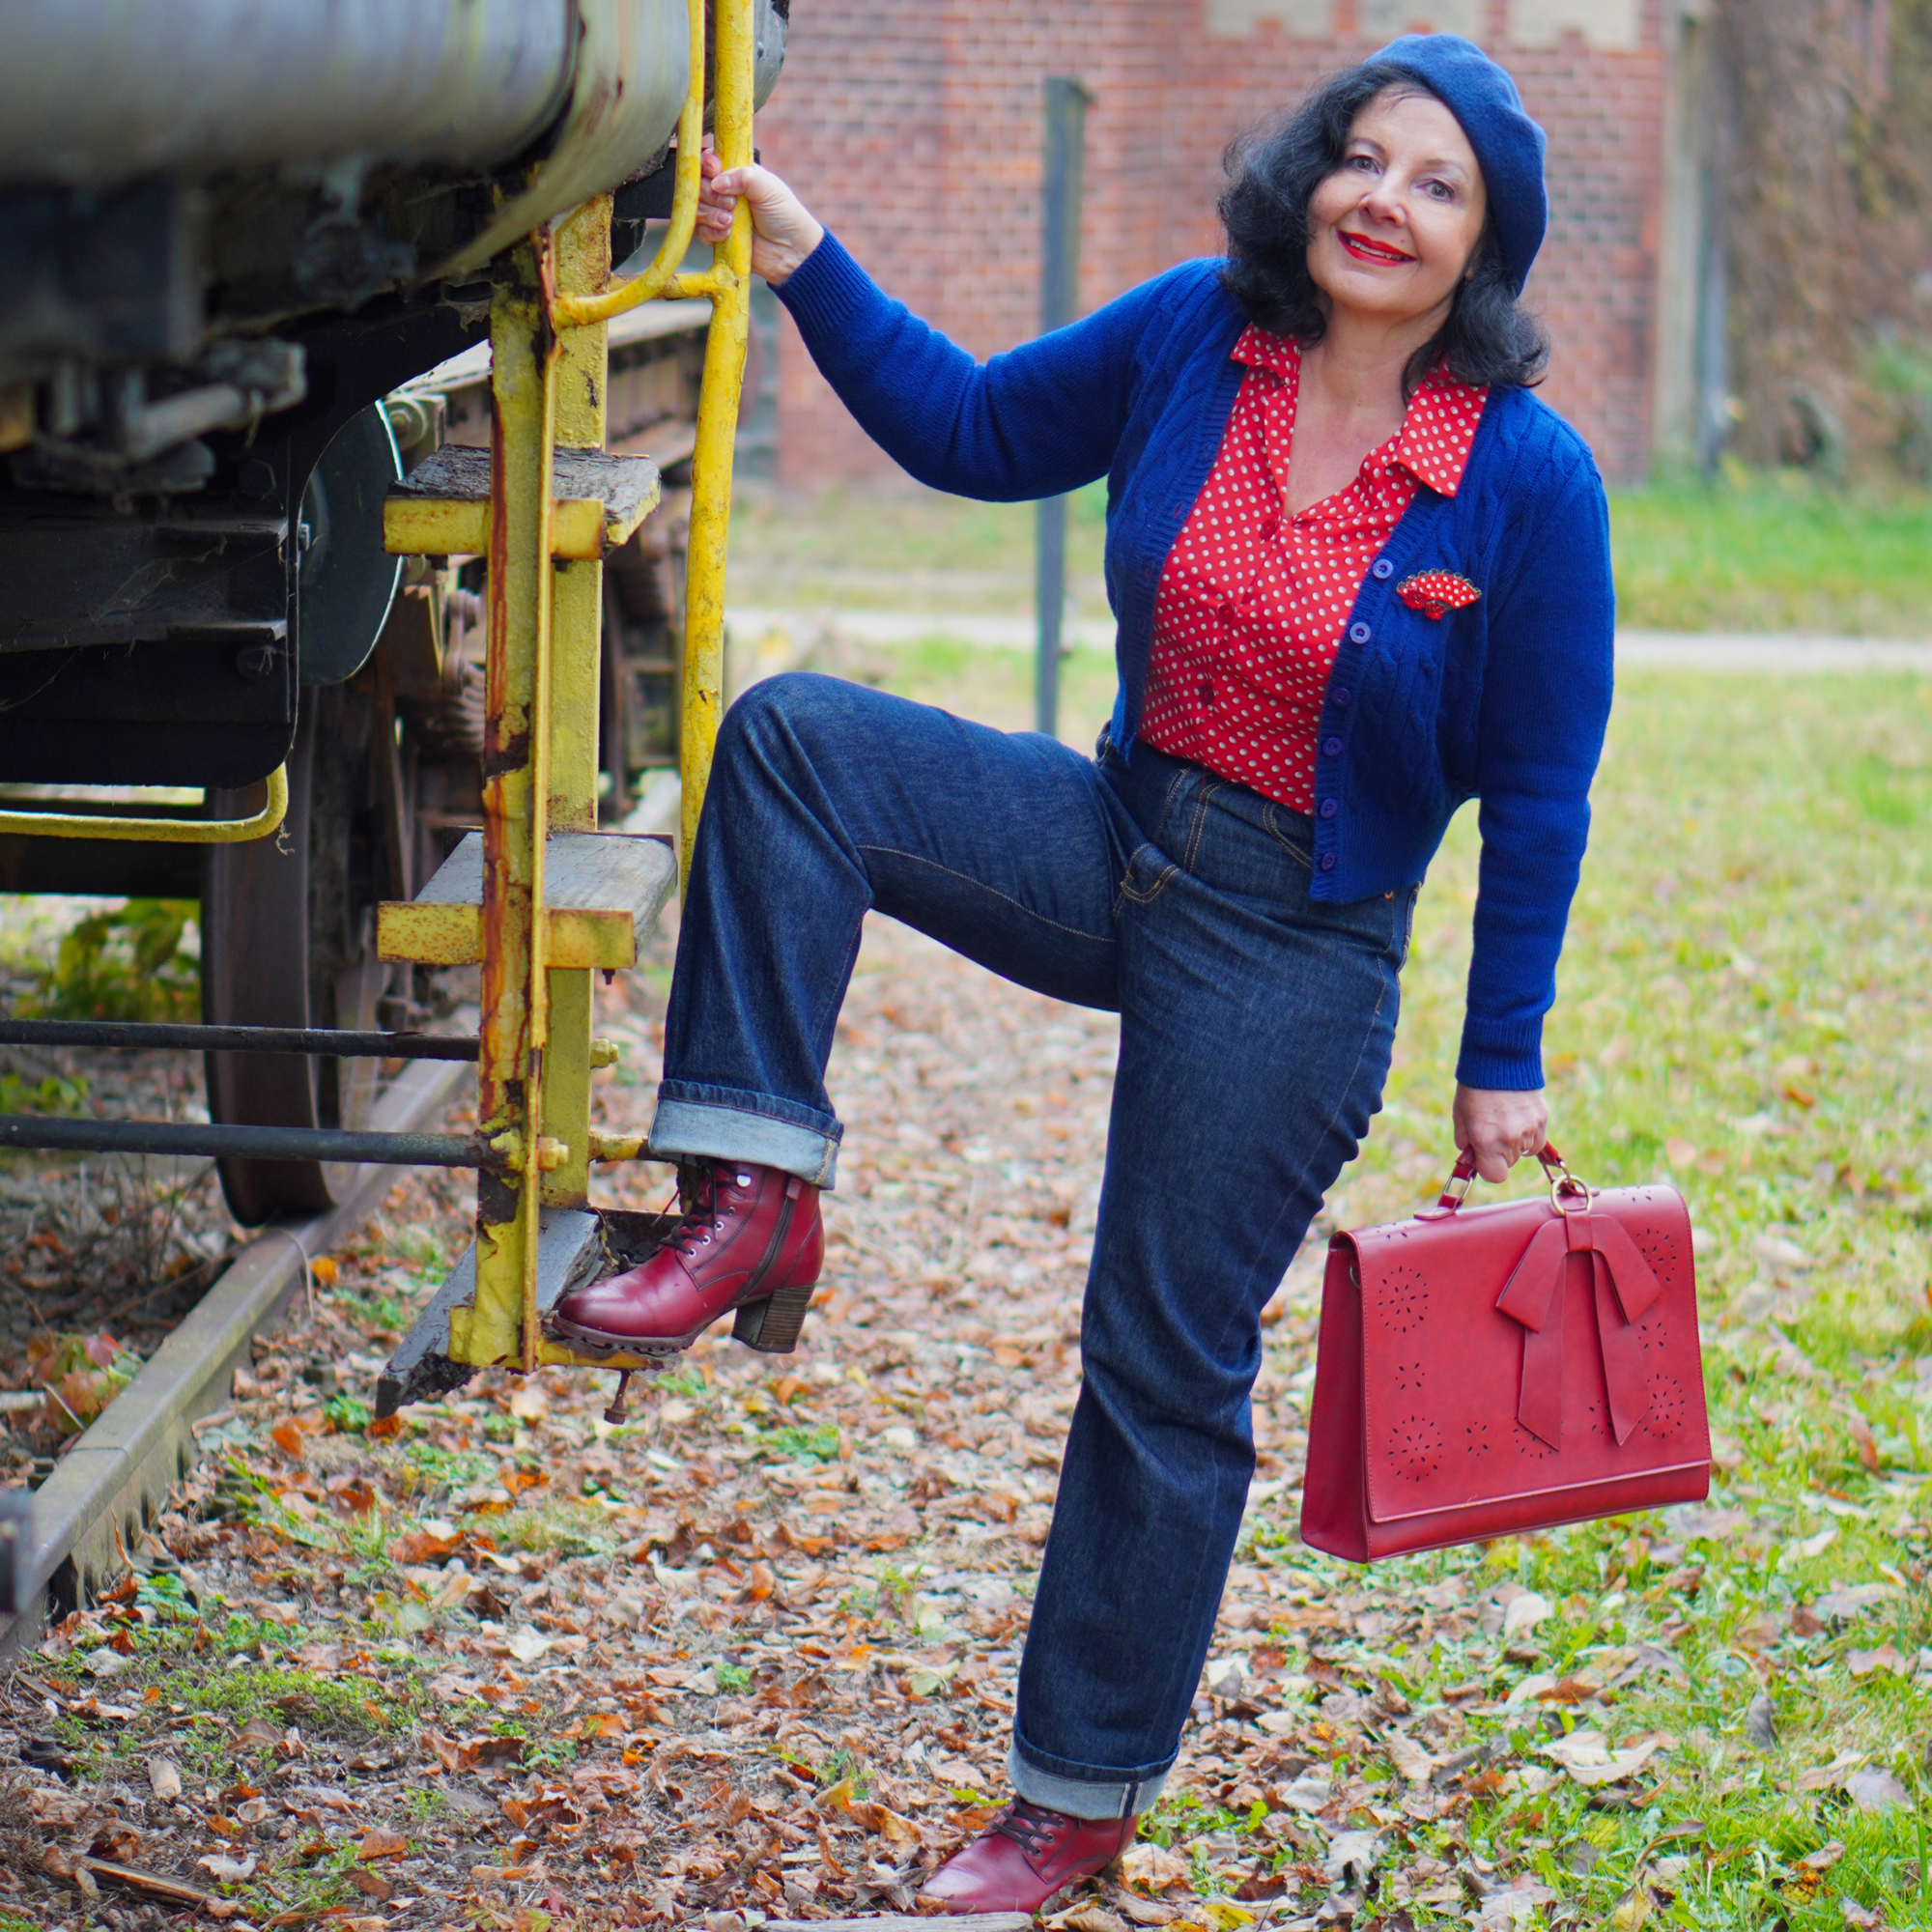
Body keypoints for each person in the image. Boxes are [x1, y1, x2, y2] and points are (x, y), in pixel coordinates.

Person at [551, 32, 1613, 1915]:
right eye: (1359, 158)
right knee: (797, 741)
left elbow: (1537, 796)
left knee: (1157, 1364)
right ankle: (749, 1188)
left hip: (1296, 940)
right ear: (1311, 176)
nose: (1380, 199)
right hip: (1121, 836)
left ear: (1483, 243)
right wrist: (806, 255)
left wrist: (1498, 1056)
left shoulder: (1526, 481)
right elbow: (969, 429)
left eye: (1433, 184)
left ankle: (1076, 1792)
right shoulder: (1199, 332)